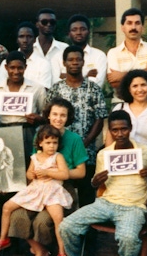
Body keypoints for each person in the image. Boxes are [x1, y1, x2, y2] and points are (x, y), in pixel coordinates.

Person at [60, 110, 147, 256]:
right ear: (110, 132)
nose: (119, 134)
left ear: (130, 128)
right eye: (115, 130)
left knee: (128, 238)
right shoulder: (104, 154)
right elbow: (96, 185)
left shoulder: (143, 151)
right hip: (106, 203)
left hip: (133, 206)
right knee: (67, 226)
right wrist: (96, 181)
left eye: (123, 129)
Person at [7, 98, 88, 256]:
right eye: (55, 114)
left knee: (42, 221)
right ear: (48, 116)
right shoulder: (40, 135)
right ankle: (39, 251)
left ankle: (60, 253)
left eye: (63, 115)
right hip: (38, 187)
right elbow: (34, 165)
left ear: (68, 118)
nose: (58, 119)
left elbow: (81, 172)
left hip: (62, 189)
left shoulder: (74, 139)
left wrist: (56, 173)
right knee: (18, 216)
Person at [0, 125, 74, 256]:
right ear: (40, 143)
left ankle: (62, 253)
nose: (52, 146)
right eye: (48, 142)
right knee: (7, 207)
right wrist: (33, 174)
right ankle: (3, 238)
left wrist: (48, 173)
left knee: (58, 220)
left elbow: (65, 174)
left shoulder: (58, 157)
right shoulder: (35, 157)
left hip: (52, 191)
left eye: (55, 143)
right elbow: (29, 173)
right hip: (35, 190)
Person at [107, 69, 147, 228]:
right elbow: (109, 138)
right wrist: (111, 161)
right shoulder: (120, 109)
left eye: (143, 85)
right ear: (128, 89)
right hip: (123, 160)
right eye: (135, 86)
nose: (140, 89)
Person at [46, 45, 107, 204]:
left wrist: (84, 142)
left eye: (78, 59)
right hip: (59, 149)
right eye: (70, 60)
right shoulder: (56, 89)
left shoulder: (93, 88)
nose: (74, 63)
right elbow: (49, 118)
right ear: (64, 63)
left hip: (87, 150)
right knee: (61, 193)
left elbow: (100, 118)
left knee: (87, 192)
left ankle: (87, 227)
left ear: (83, 62)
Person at [0, 51, 48, 157]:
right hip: (3, 132)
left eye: (20, 68)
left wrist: (38, 119)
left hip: (28, 132)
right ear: (6, 67)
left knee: (29, 165)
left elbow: (46, 116)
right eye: (12, 67)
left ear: (25, 67)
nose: (16, 71)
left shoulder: (37, 88)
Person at [106, 8, 147, 95]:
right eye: (129, 23)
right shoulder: (113, 53)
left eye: (137, 23)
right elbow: (115, 83)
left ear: (142, 27)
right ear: (122, 28)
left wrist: (122, 75)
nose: (133, 27)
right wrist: (146, 72)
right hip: (122, 101)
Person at [0, 22, 53, 89]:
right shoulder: (6, 63)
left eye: (29, 37)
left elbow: (43, 90)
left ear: (35, 40)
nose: (25, 40)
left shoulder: (43, 64)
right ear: (17, 40)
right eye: (21, 36)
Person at [56, 13, 107, 87]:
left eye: (83, 29)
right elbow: (56, 83)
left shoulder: (99, 55)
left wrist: (67, 77)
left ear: (88, 32)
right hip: (63, 98)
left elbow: (96, 85)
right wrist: (86, 76)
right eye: (74, 30)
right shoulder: (58, 56)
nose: (79, 33)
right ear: (69, 34)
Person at [34, 9, 68, 76]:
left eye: (52, 22)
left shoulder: (64, 48)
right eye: (44, 22)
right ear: (37, 24)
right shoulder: (28, 49)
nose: (49, 24)